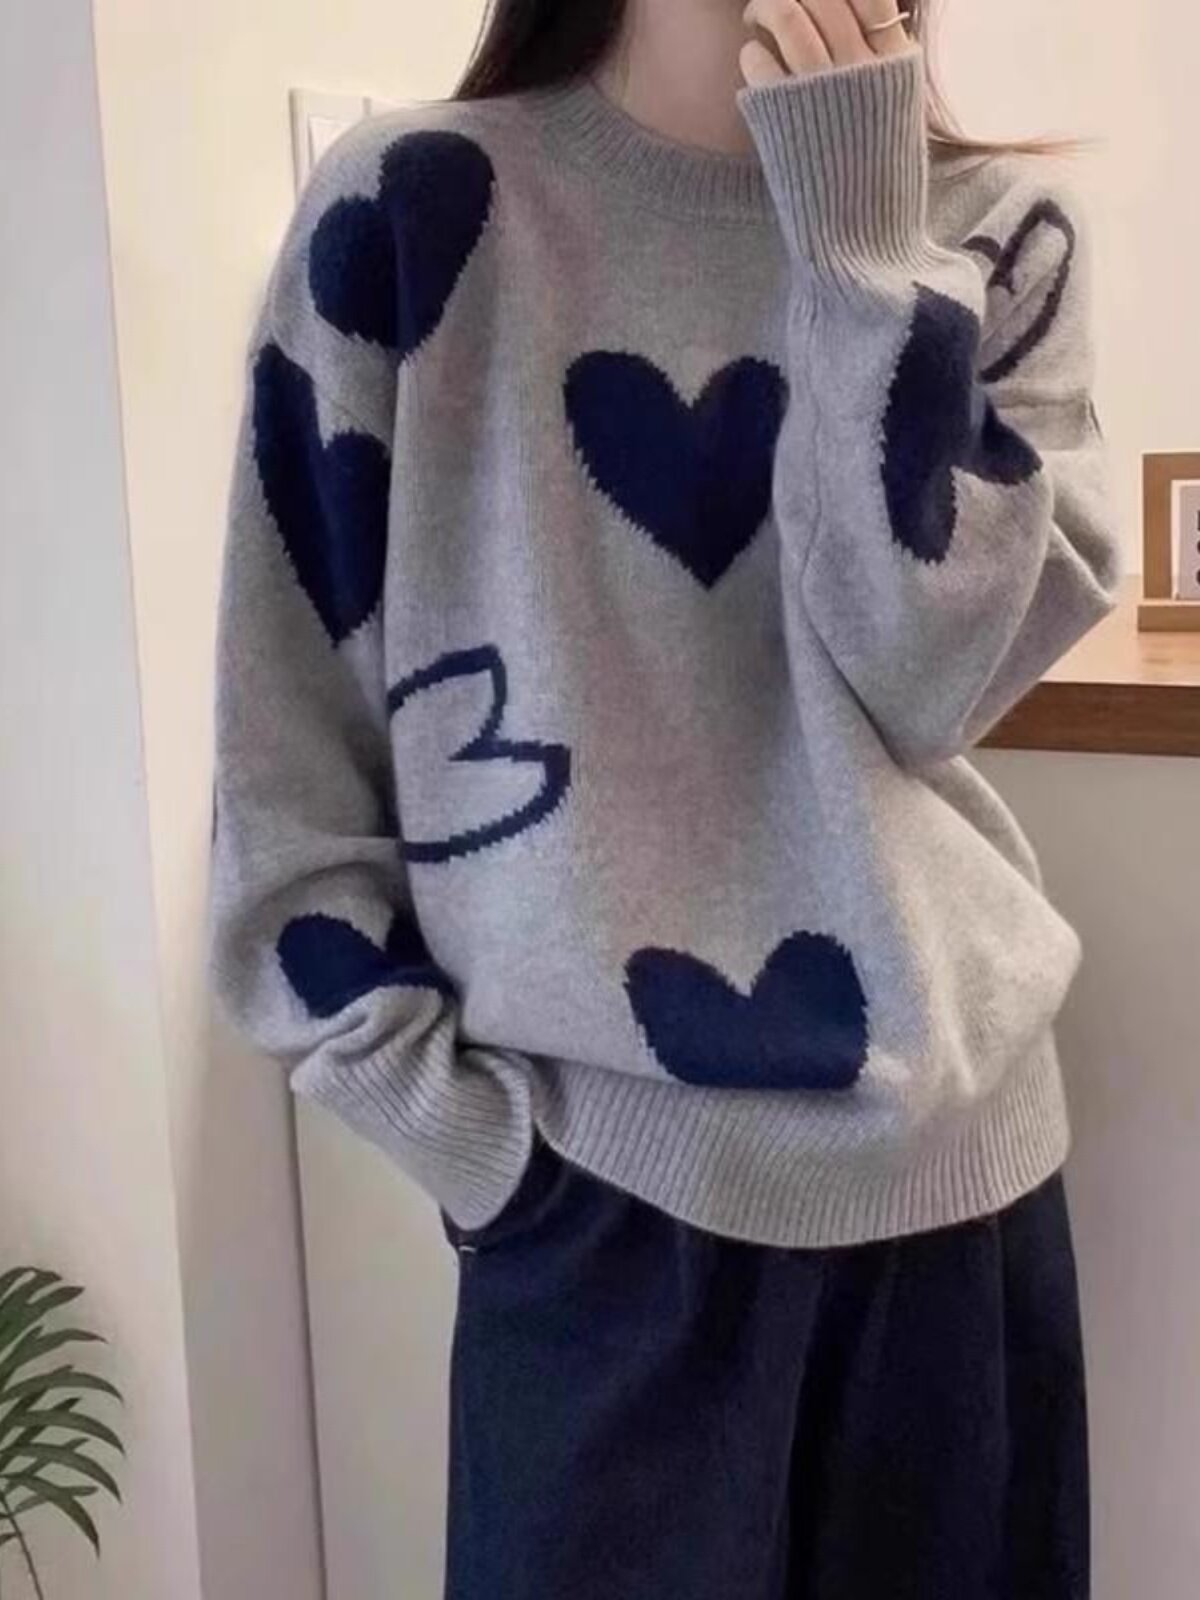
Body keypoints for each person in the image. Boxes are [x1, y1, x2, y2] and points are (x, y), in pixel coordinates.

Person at [210, 1, 1119, 1593]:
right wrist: (487, 1163)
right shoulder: (410, 220)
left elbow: (927, 679)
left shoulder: (996, 237)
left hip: (957, 1214)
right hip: (596, 1232)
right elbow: (286, 793)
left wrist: (858, 249)